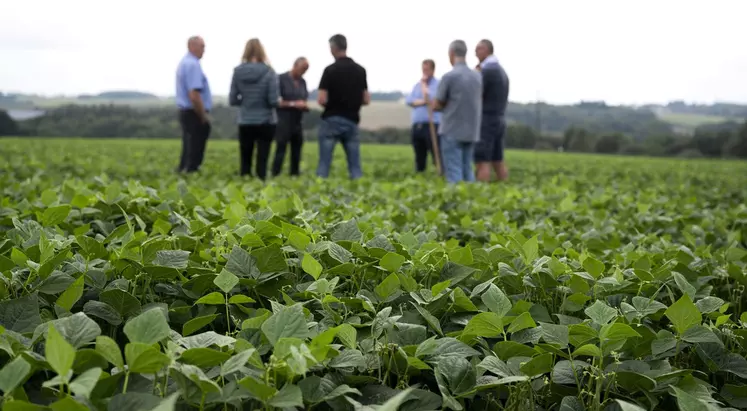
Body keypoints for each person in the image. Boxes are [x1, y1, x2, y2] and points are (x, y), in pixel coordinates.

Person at [316, 34, 370, 180]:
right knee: (355, 166)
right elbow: (366, 99)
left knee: (324, 164)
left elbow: (321, 99)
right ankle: (360, 190)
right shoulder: (360, 70)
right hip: (352, 120)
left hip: (331, 119)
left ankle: (318, 191)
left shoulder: (329, 70)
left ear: (333, 48)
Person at [431, 40, 482, 184]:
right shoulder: (477, 77)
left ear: (451, 53)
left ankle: (457, 203)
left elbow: (438, 103)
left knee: (454, 172)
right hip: (471, 130)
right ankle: (472, 201)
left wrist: (439, 104)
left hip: (452, 129)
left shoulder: (449, 77)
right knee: (467, 170)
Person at [229, 38, 279, 180]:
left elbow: (232, 99)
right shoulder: (269, 72)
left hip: (245, 120)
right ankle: (260, 185)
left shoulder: (237, 72)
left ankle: (244, 186)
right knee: (262, 160)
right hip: (266, 121)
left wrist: (246, 101)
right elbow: (273, 101)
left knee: (245, 159)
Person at [475, 39, 510, 182]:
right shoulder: (502, 71)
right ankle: (505, 188)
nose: (475, 52)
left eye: (478, 49)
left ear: (486, 49)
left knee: (482, 160)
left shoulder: (487, 71)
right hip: (499, 118)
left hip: (486, 119)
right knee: (497, 159)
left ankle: (481, 196)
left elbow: (477, 94)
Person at [175, 36, 212, 173]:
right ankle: (190, 172)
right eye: (202, 46)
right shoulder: (192, 64)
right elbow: (194, 94)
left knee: (188, 144)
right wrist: (203, 115)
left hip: (186, 111)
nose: (204, 50)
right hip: (193, 111)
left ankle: (184, 170)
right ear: (192, 46)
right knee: (194, 147)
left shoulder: (185, 63)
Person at [271, 57, 310, 177]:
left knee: (297, 149)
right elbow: (276, 101)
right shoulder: (280, 79)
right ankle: (275, 173)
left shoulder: (303, 82)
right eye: (302, 69)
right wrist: (294, 104)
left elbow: (304, 99)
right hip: (283, 120)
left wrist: (304, 106)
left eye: (306, 70)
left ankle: (294, 174)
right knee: (281, 148)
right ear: (295, 65)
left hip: (297, 121)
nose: (303, 72)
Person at [405, 59, 442, 173]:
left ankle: (440, 173)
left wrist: (424, 97)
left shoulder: (438, 84)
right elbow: (410, 100)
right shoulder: (417, 85)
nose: (424, 72)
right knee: (419, 155)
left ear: (432, 70)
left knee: (436, 153)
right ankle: (420, 174)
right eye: (423, 69)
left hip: (432, 124)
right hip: (418, 125)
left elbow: (433, 100)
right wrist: (422, 102)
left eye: (427, 69)